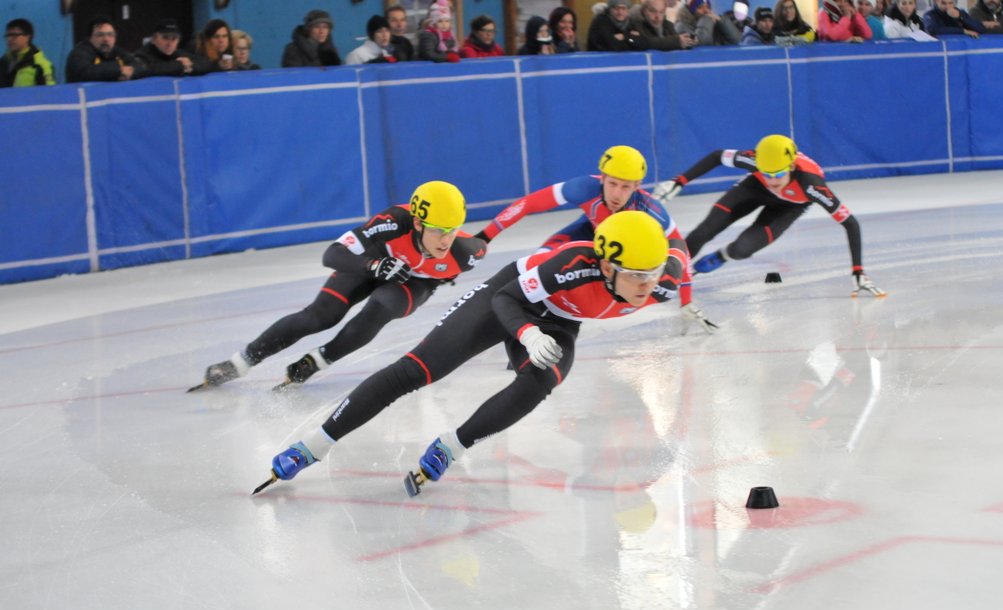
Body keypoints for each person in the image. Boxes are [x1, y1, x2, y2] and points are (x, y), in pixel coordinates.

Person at [253, 211, 689, 496]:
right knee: (417, 370)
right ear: (607, 266)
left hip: (559, 319)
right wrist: (527, 334)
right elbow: (506, 300)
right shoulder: (572, 265)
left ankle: (452, 446)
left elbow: (679, 253)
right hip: (507, 297)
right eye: (635, 276)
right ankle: (313, 446)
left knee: (540, 382)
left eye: (651, 275)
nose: (646, 286)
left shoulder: (664, 281)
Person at [190, 182, 488, 391]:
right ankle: (239, 363)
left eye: (452, 230)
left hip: (414, 282)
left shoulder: (466, 253)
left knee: (382, 306)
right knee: (319, 316)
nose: (445, 240)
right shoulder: (393, 222)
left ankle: (315, 362)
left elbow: (480, 254)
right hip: (374, 260)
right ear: (418, 224)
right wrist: (373, 265)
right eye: (438, 231)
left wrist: (439, 274)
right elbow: (331, 254)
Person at [474, 145, 714, 332]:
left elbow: (680, 250)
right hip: (587, 233)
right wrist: (485, 236)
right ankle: (507, 316)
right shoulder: (585, 187)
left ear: (638, 186)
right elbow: (529, 203)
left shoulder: (649, 210)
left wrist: (686, 299)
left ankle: (547, 325)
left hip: (618, 255)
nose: (617, 194)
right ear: (602, 178)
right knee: (539, 262)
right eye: (612, 184)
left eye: (626, 187)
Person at [653, 134, 886, 297]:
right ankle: (663, 275)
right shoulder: (755, 160)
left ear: (791, 167)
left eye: (778, 174)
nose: (773, 180)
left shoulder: (812, 185)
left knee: (742, 249)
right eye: (767, 173)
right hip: (754, 189)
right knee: (704, 231)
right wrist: (679, 182)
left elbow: (850, 223)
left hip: (788, 206)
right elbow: (717, 156)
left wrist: (858, 270)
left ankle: (722, 255)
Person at [65, 17, 142, 83]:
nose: (106, 39)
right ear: (89, 38)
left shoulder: (117, 51)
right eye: (100, 35)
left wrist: (131, 71)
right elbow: (84, 73)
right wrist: (118, 70)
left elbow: (139, 65)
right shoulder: (79, 53)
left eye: (110, 34)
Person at [1, 18, 54, 87]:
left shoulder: (40, 65)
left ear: (27, 37)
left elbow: (49, 91)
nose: (9, 39)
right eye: (8, 36)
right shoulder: (3, 62)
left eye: (14, 35)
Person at [632, 0, 698, 50]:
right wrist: (676, 41)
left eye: (661, 12)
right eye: (653, 11)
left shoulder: (668, 25)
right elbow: (641, 43)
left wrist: (687, 42)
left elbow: (677, 44)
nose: (657, 16)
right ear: (643, 11)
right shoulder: (635, 26)